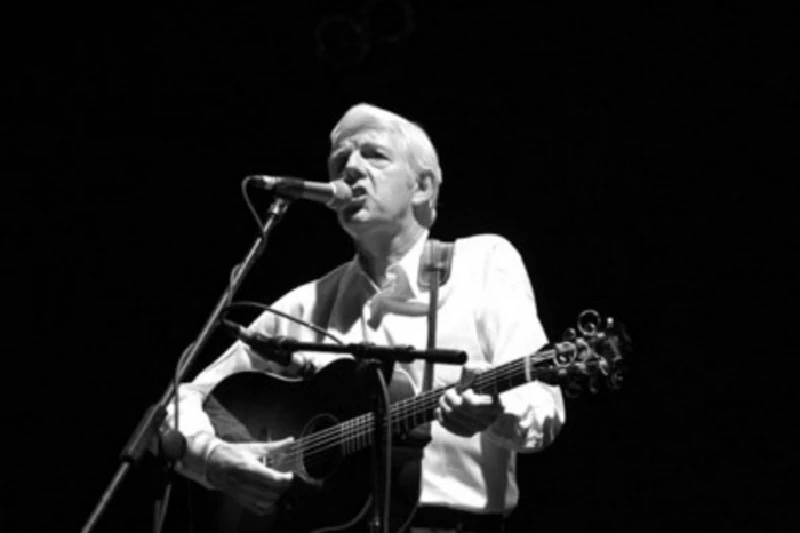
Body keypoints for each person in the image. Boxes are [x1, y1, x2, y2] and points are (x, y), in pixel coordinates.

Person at [165, 103, 566, 533]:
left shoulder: (482, 264)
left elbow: (544, 402)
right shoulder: (307, 304)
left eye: (374, 154)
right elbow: (182, 398)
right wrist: (213, 460)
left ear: (422, 188)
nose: (350, 169)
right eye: (340, 161)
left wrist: (496, 411)